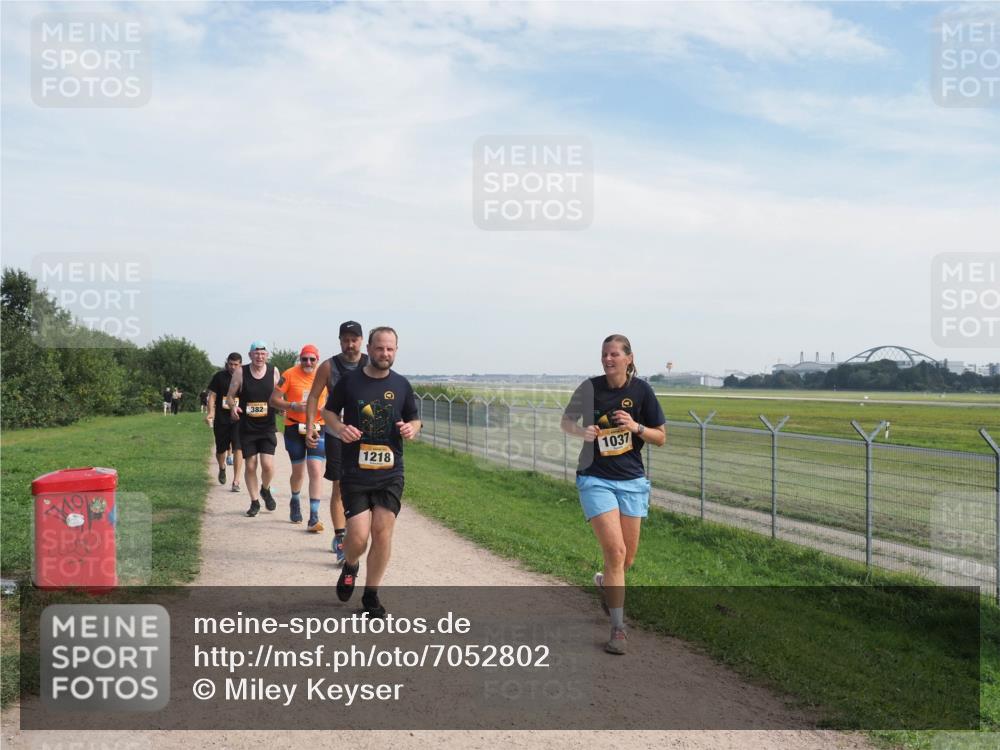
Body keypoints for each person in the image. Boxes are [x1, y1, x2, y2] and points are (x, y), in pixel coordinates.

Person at [560, 334, 666, 655]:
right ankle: (618, 629)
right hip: (595, 478)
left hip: (632, 481)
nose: (608, 359)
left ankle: (606, 584)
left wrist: (635, 427)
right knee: (616, 552)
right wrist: (583, 432)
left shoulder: (642, 391)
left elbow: (661, 437)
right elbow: (566, 423)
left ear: (629, 359)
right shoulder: (589, 388)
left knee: (626, 558)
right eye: (604, 354)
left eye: (614, 354)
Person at [323, 327, 420, 618]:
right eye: (380, 348)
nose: (385, 354)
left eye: (390, 349)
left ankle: (371, 595)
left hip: (391, 472)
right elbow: (329, 412)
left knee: (382, 532)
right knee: (358, 535)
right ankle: (351, 564)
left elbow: (415, 419)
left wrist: (410, 429)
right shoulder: (350, 382)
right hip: (355, 470)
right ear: (370, 348)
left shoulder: (402, 385)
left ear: (396, 350)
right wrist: (340, 429)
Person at [306, 320, 368, 563]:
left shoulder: (370, 363)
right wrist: (311, 426)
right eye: (346, 340)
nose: (350, 344)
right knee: (339, 486)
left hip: (366, 435)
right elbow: (313, 397)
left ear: (361, 341)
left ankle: (357, 532)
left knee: (365, 486)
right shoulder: (328, 366)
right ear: (340, 340)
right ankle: (341, 538)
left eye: (354, 340)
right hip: (336, 434)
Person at [272, 345, 328, 531]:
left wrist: (325, 411)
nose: (308, 363)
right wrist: (292, 405)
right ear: (300, 359)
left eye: (312, 359)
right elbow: (273, 400)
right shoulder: (289, 374)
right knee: (298, 472)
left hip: (318, 426)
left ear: (317, 360)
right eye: (305, 359)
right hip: (294, 427)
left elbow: (335, 399)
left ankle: (314, 516)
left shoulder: (324, 374)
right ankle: (295, 499)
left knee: (315, 468)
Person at [227, 341, 280, 517]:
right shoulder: (241, 372)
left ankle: (265, 489)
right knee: (250, 465)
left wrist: (285, 405)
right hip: (247, 427)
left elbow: (280, 395)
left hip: (267, 426)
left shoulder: (274, 371)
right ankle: (255, 501)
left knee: (267, 465)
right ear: (250, 355)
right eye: (256, 354)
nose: (259, 357)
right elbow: (230, 396)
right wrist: (233, 407)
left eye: (263, 354)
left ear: (267, 355)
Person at [206, 353, 244, 492]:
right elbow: (212, 396)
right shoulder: (219, 377)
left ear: (240, 364)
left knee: (238, 448)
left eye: (236, 364)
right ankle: (222, 467)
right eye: (230, 364)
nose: (233, 367)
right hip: (222, 419)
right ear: (227, 363)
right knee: (221, 449)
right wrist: (211, 412)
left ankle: (236, 481)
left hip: (239, 419)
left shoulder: (244, 377)